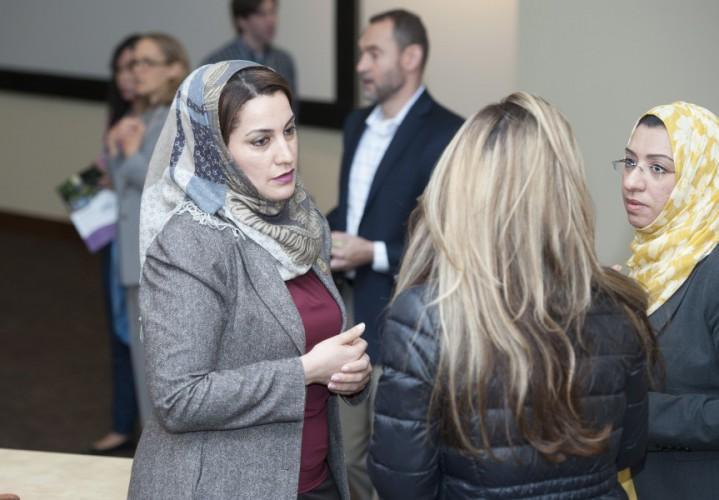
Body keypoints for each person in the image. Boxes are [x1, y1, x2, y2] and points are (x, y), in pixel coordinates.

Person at [367, 92, 658, 499]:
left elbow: (401, 485)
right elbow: (628, 451)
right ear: (566, 191)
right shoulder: (621, 307)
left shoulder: (426, 318)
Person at [127, 61, 372, 500]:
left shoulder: (301, 221)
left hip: (317, 478)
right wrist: (306, 371)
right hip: (223, 486)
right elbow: (179, 398)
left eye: (290, 131)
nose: (286, 154)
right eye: (261, 141)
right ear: (215, 149)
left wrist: (350, 375)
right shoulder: (190, 243)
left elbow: (315, 337)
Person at [325, 10, 462, 497]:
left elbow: (453, 238)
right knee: (345, 455)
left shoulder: (448, 132)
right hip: (348, 318)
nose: (361, 64)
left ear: (411, 57)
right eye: (360, 52)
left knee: (391, 462)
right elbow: (354, 210)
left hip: (407, 323)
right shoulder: (355, 123)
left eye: (373, 52)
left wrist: (375, 252)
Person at [615, 102, 719, 499]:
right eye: (629, 162)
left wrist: (637, 410)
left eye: (656, 168)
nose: (632, 182)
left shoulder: (712, 271)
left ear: (699, 178)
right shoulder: (646, 265)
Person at [106, 32, 190, 425]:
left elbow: (164, 186)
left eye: (146, 62)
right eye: (133, 63)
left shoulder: (177, 116)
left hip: (153, 256)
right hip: (129, 253)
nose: (136, 71)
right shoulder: (141, 116)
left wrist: (127, 153)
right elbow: (119, 183)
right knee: (141, 366)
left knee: (157, 370)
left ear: (173, 68)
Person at [89, 34, 143, 454]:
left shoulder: (153, 120)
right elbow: (101, 175)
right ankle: (123, 422)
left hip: (140, 238)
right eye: (122, 69)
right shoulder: (119, 119)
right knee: (119, 332)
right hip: (114, 235)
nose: (129, 77)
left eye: (136, 67)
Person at [202, 0, 296, 99]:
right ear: (241, 20)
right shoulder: (217, 64)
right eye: (261, 14)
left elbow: (291, 108)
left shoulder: (284, 61)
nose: (271, 20)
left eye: (272, 12)